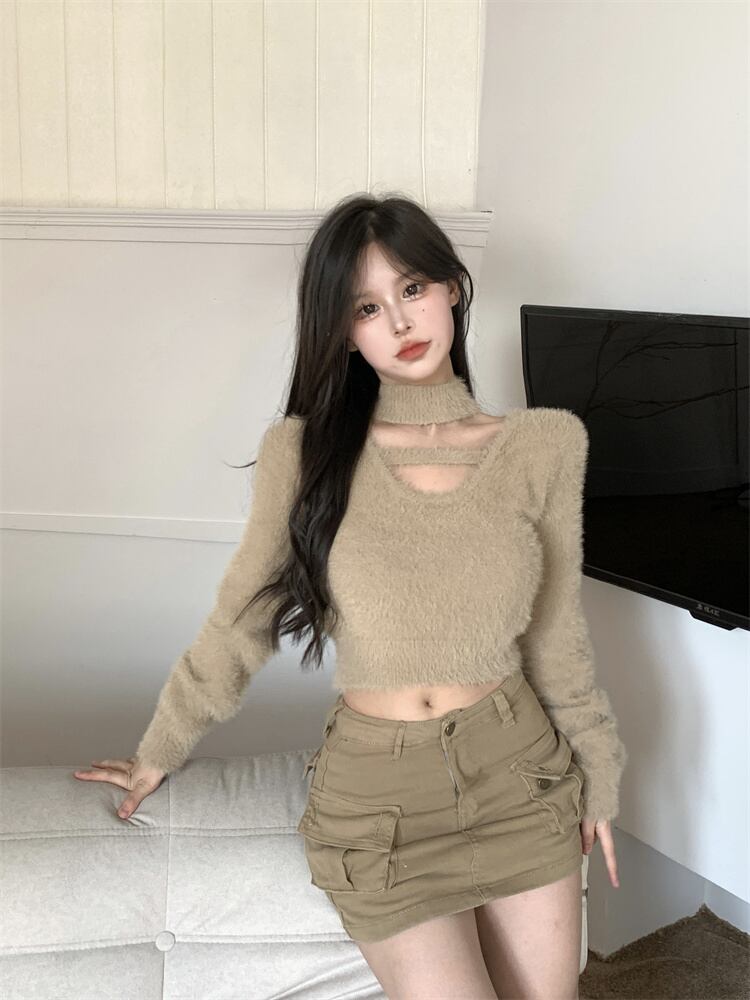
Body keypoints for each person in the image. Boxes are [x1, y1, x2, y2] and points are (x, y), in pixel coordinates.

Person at [74, 193, 627, 999]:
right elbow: (242, 620)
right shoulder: (304, 454)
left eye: (412, 288)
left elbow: (554, 635)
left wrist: (599, 769)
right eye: (367, 307)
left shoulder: (544, 444)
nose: (399, 321)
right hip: (379, 805)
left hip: (519, 777)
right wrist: (159, 748)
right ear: (343, 330)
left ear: (451, 288)